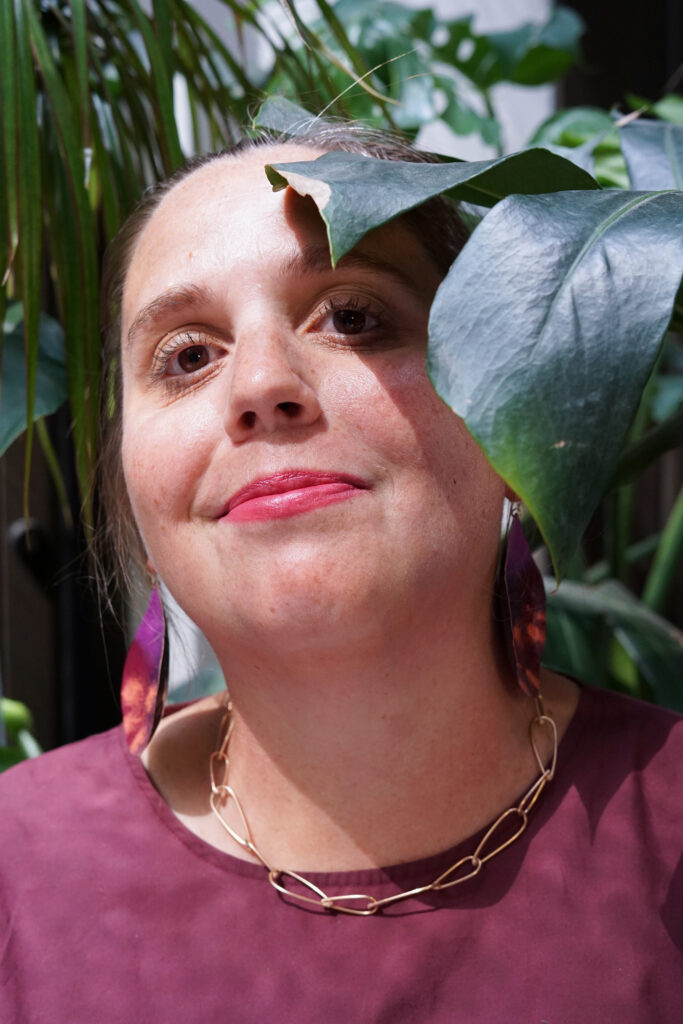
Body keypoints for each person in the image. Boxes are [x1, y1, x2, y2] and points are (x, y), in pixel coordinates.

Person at [1, 122, 682, 1024]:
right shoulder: (18, 868)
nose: (259, 384)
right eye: (188, 355)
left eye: (354, 316)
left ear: (506, 402)